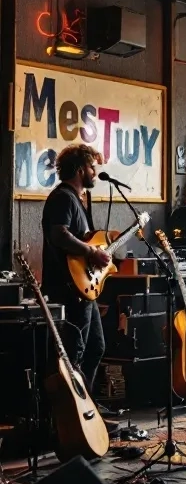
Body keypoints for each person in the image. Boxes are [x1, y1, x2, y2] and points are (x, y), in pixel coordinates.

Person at [41, 144, 109, 394]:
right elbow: (59, 234)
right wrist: (92, 251)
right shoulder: (63, 197)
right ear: (81, 169)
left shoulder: (77, 199)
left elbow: (81, 238)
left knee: (95, 347)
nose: (95, 172)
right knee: (74, 353)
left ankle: (86, 406)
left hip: (82, 287)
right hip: (67, 288)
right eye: (92, 167)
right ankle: (70, 414)